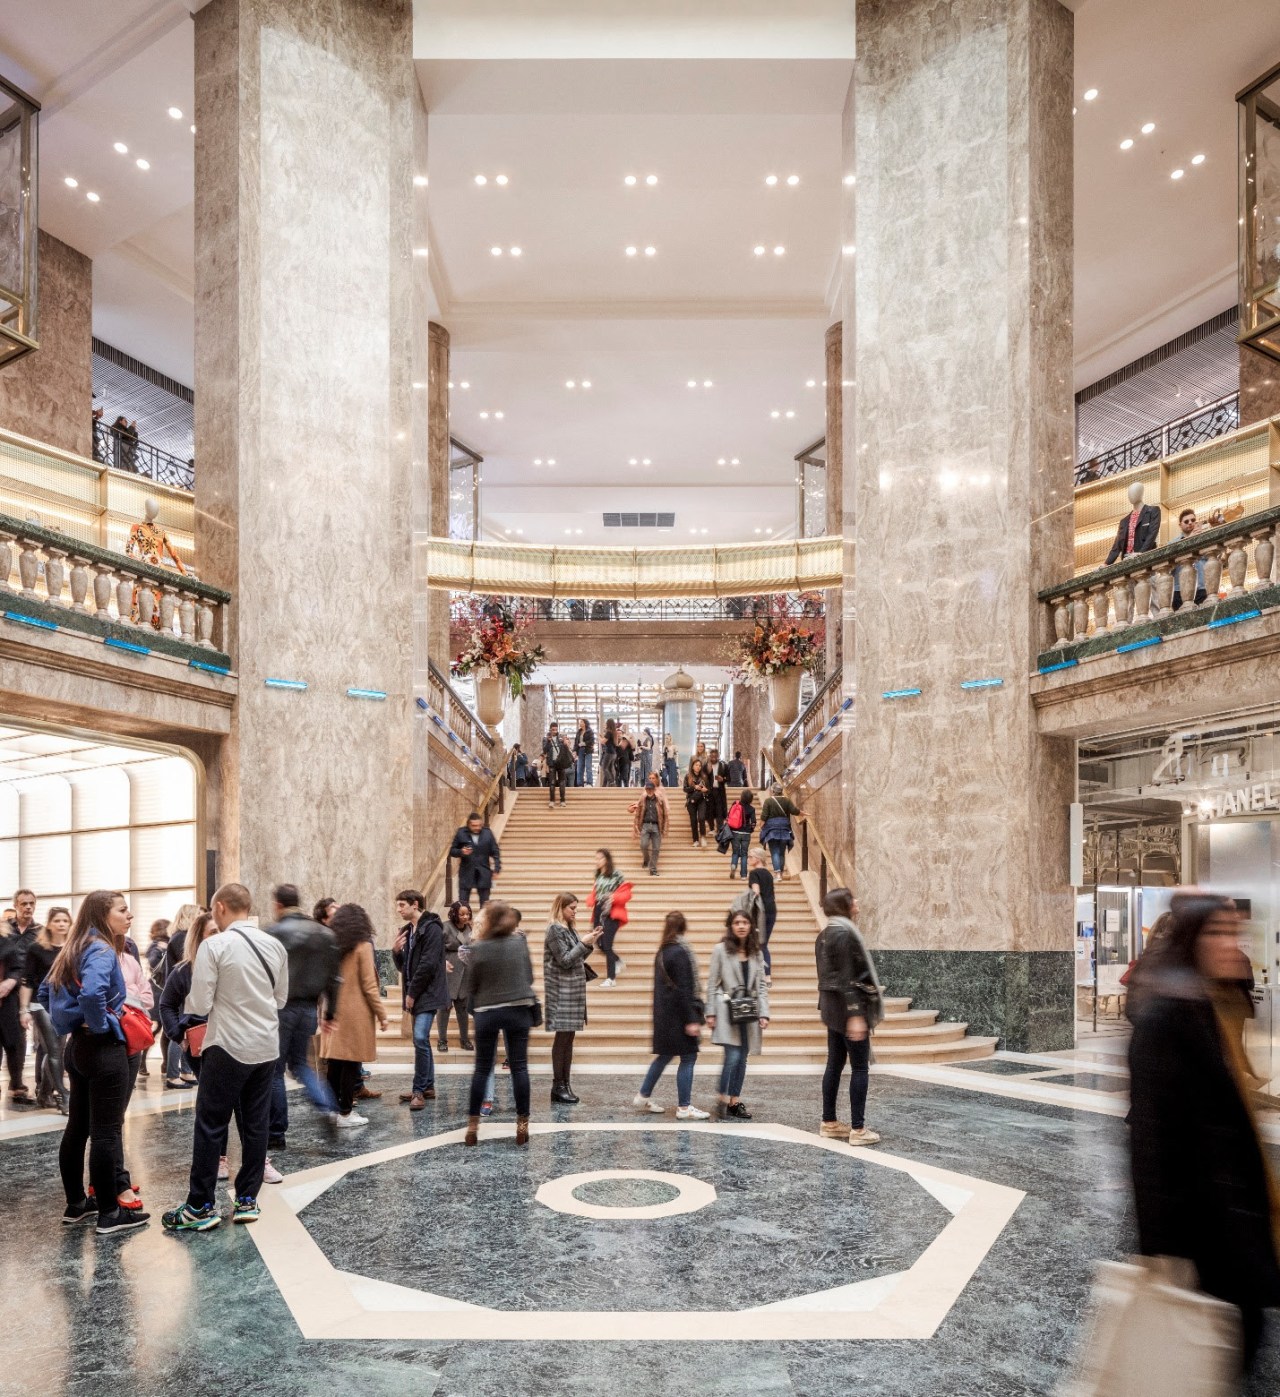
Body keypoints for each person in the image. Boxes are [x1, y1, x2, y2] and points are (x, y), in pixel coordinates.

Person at [1127, 893, 1280, 1378]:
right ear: (1191, 938)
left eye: (1234, 931)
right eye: (1215, 932)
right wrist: (1159, 1246)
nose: (1229, 943)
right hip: (1199, 1221)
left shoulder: (1215, 1005)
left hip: (1235, 1207)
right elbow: (1147, 1143)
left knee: (1242, 1335)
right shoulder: (1163, 1020)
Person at [161, 883, 288, 1233]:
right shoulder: (275, 945)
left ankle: (200, 1206)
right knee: (256, 1122)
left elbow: (200, 1004)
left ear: (219, 908)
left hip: (228, 1045)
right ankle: (247, 1199)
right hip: (266, 1047)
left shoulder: (215, 946)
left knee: (211, 1123)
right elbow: (280, 998)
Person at [39, 890, 150, 1235]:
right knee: (105, 1131)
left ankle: (77, 1205)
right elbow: (91, 994)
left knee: (78, 1128)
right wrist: (101, 1023)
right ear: (104, 915)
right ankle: (109, 1214)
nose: (129, 916)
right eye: (122, 910)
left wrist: (72, 1021)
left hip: (78, 1049)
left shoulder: (74, 946)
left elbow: (45, 993)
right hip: (103, 1049)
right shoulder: (101, 949)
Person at [159, 912, 259, 1185]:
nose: (219, 937)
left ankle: (259, 1163)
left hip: (238, 1042)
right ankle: (219, 1159)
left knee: (245, 1105)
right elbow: (166, 1005)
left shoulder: (237, 964)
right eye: (212, 932)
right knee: (216, 1106)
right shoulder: (185, 970)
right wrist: (178, 1034)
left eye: (221, 931)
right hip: (202, 1046)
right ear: (199, 938)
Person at [264, 884, 341, 1150]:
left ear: (278, 904)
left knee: (275, 1071)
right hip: (309, 1008)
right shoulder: (323, 933)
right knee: (301, 1065)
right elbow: (334, 978)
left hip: (280, 1009)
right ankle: (327, 1107)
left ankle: (276, 1133)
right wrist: (330, 1013)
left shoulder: (273, 932)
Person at [464, 901, 536, 1147]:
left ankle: (472, 1128)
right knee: (520, 1068)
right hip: (518, 1011)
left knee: (482, 1069)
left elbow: (471, 986)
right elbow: (530, 976)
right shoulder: (519, 943)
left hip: (487, 1013)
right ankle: (522, 1127)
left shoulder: (479, 947)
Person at [816, 887, 883, 1146]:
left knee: (834, 1064)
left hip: (832, 1009)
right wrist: (855, 1014)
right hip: (847, 1009)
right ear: (844, 906)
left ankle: (829, 1122)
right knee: (859, 1067)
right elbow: (846, 978)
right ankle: (858, 1129)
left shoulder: (824, 934)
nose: (857, 901)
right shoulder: (845, 934)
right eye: (852, 898)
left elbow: (827, 978)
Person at [631, 911, 709, 1119]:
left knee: (664, 1056)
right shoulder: (681, 952)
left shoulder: (662, 951)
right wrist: (692, 1018)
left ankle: (643, 1095)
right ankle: (684, 1107)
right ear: (684, 928)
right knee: (688, 1057)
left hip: (665, 1016)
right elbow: (684, 988)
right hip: (679, 1017)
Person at [319, 904, 389, 1129]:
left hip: (335, 1010)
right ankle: (346, 1113)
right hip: (356, 1013)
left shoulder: (332, 944)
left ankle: (331, 1111)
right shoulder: (363, 945)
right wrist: (382, 1013)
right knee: (351, 1064)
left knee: (335, 1065)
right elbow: (369, 985)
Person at [706, 908, 769, 1120]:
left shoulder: (756, 953)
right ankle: (722, 1097)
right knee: (732, 1056)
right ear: (731, 926)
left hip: (749, 1012)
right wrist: (711, 1012)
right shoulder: (721, 950)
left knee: (742, 1058)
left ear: (750, 926)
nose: (741, 926)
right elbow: (712, 984)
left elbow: (761, 986)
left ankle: (734, 1101)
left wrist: (764, 1013)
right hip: (726, 1011)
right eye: (737, 922)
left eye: (745, 922)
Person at [543, 891, 603, 1104]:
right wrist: (583, 943)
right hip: (561, 991)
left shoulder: (568, 929)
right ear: (561, 908)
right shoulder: (554, 930)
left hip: (573, 990)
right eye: (572, 908)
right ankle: (558, 1085)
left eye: (576, 908)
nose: (575, 912)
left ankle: (565, 1083)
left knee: (569, 1039)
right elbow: (566, 960)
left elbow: (578, 956)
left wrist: (589, 942)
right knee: (562, 1039)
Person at [393, 889, 448, 1111]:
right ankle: (428, 1086)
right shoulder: (409, 930)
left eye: (402, 906)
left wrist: (411, 994)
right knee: (421, 1040)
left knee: (419, 1038)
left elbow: (428, 965)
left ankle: (418, 1091)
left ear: (415, 904)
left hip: (428, 993)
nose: (399, 910)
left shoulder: (432, 928)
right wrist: (396, 951)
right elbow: (404, 966)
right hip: (417, 992)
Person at [20, 905, 71, 1106]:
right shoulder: (37, 948)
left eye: (65, 920)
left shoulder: (71, 948)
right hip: (40, 1004)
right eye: (57, 920)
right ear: (49, 924)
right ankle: (63, 1094)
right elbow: (27, 980)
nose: (61, 924)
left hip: (64, 1004)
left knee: (57, 1048)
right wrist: (23, 1009)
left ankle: (43, 1094)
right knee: (54, 1048)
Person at [0, 888, 41, 1104]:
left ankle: (18, 1084)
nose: (28, 907)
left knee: (20, 1037)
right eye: (23, 903)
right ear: (15, 905)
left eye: (31, 903)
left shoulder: (40, 931)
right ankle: (16, 1084)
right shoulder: (6, 930)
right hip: (7, 989)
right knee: (10, 1036)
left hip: (29, 988)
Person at [161, 902, 204, 1088]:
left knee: (188, 1031)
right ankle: (173, 1075)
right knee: (179, 1033)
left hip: (183, 991)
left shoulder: (179, 936)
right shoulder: (182, 938)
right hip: (181, 991)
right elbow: (186, 963)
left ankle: (186, 1071)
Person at [588, 849, 632, 988]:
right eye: (596, 858)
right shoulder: (598, 875)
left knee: (607, 945)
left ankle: (611, 978)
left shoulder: (616, 874)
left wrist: (613, 898)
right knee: (597, 943)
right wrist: (591, 900)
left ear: (607, 859)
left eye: (600, 858)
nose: (597, 861)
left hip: (611, 911)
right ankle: (617, 961)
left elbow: (626, 892)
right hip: (598, 910)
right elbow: (595, 892)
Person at [439, 901, 475, 1052]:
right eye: (462, 914)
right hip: (449, 968)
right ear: (454, 914)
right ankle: (442, 1040)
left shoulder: (469, 928)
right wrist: (442, 963)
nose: (465, 917)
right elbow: (436, 948)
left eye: (467, 914)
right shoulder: (445, 926)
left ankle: (464, 1039)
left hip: (465, 970)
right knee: (444, 1008)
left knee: (463, 1007)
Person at [450, 811, 502, 908]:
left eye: (479, 825)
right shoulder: (461, 832)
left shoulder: (488, 833)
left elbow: (495, 851)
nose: (477, 828)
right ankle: (464, 922)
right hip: (466, 873)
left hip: (484, 872)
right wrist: (461, 852)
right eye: (474, 826)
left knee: (485, 904)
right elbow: (452, 851)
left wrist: (497, 868)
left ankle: (483, 923)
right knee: (463, 903)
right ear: (468, 824)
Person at [747, 849, 777, 984]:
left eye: (750, 856)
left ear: (758, 858)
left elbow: (756, 892)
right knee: (762, 942)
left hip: (760, 911)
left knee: (760, 943)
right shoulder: (768, 874)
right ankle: (765, 975)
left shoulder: (754, 873)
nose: (748, 859)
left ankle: (765, 976)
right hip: (772, 909)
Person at [760, 782, 803, 877]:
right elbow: (795, 811)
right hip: (784, 829)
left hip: (772, 830)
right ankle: (781, 873)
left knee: (774, 851)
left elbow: (764, 816)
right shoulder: (787, 800)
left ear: (773, 791)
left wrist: (761, 826)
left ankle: (777, 873)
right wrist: (803, 813)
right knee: (782, 852)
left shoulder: (768, 801)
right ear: (781, 791)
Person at [630, 773, 669, 876]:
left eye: (651, 789)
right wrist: (636, 826)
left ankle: (653, 869)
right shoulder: (642, 799)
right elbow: (636, 812)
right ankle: (646, 859)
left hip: (656, 826)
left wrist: (665, 828)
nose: (649, 791)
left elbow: (665, 813)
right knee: (643, 845)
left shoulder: (659, 799)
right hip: (646, 825)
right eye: (647, 789)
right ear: (646, 789)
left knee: (656, 848)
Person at [1171, 507, 1208, 609]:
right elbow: (1171, 566)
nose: (1190, 523)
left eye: (1193, 520)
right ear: (1180, 525)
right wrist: (1189, 539)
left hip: (1202, 586)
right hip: (1180, 589)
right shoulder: (1173, 543)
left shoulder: (1205, 538)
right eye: (1186, 521)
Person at [726, 788, 757, 880]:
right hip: (746, 833)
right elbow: (753, 822)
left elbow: (729, 816)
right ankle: (743, 875)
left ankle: (733, 865)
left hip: (735, 832)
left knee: (735, 852)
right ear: (751, 799)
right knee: (744, 854)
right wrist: (751, 829)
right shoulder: (751, 809)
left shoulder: (735, 804)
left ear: (742, 797)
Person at [543, 722, 573, 806]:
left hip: (561, 762)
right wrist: (549, 742)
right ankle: (552, 800)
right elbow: (544, 750)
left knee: (562, 782)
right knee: (552, 782)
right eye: (553, 730)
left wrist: (565, 742)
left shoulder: (561, 737)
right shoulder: (546, 739)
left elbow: (567, 748)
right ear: (550, 729)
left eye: (556, 729)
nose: (555, 731)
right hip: (552, 763)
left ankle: (562, 800)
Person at [683, 758, 711, 848]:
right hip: (691, 800)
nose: (698, 767)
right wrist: (694, 787)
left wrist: (705, 790)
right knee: (693, 820)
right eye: (696, 765)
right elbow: (685, 789)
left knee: (702, 818)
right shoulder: (688, 776)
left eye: (699, 765)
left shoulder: (704, 776)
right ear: (692, 766)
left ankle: (703, 837)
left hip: (702, 799)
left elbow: (709, 790)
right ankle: (695, 840)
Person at [707, 748, 729, 827]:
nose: (713, 758)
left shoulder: (723, 765)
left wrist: (723, 779)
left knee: (719, 810)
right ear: (709, 756)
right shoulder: (706, 765)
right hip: (709, 791)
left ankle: (720, 829)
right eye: (712, 756)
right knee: (710, 810)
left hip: (719, 791)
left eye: (715, 756)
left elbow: (729, 778)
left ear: (718, 756)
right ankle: (712, 828)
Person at [574, 717, 595, 788]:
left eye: (582, 722)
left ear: (585, 723)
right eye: (580, 722)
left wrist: (584, 743)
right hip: (580, 750)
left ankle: (589, 783)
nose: (580, 723)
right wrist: (575, 750)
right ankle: (580, 783)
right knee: (580, 767)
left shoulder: (590, 731)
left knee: (588, 766)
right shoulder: (578, 732)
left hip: (588, 750)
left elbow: (592, 741)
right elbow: (576, 742)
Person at [599, 719, 618, 787]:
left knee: (604, 768)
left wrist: (599, 737)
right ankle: (609, 784)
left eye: (606, 723)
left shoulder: (608, 732)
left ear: (608, 724)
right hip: (614, 753)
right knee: (609, 768)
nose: (605, 724)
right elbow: (616, 743)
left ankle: (611, 781)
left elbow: (603, 742)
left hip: (609, 752)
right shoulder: (614, 732)